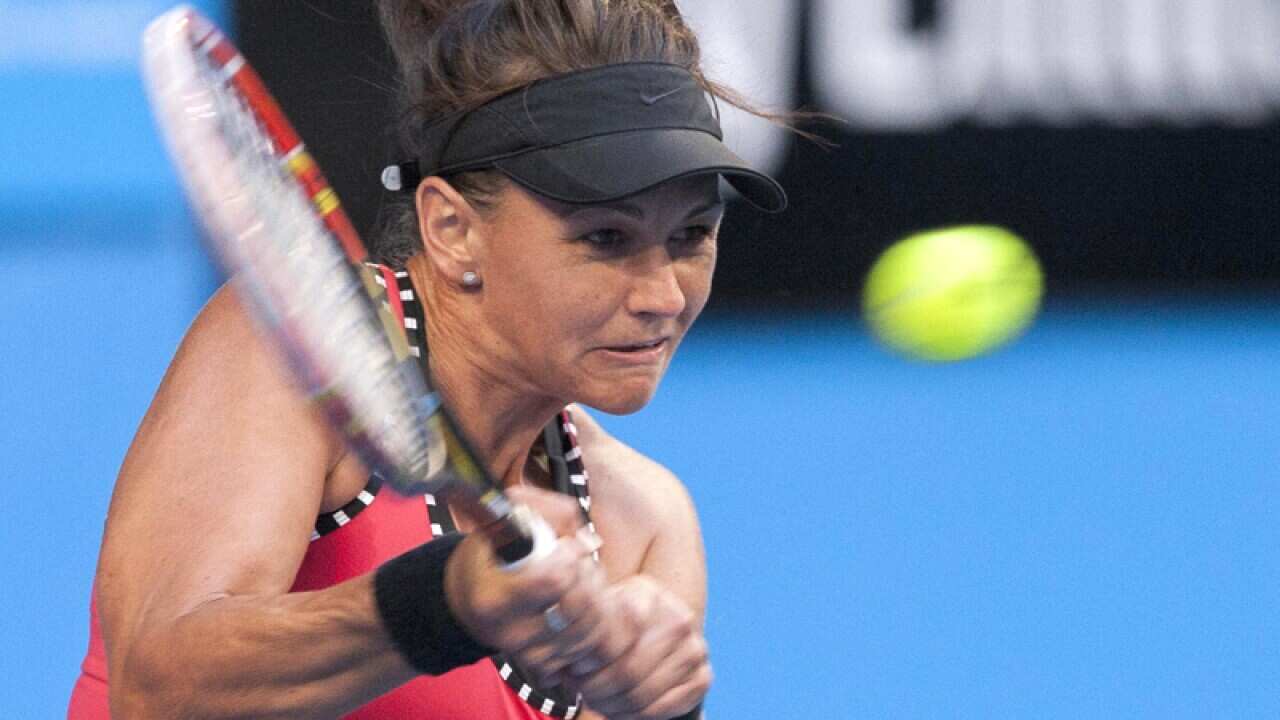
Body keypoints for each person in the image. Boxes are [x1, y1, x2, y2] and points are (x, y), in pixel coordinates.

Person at [68, 0, 790, 717]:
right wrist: (444, 601)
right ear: (451, 228)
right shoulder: (301, 353)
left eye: (693, 234)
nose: (663, 294)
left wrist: (656, 705)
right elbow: (156, 691)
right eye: (605, 239)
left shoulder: (644, 523)